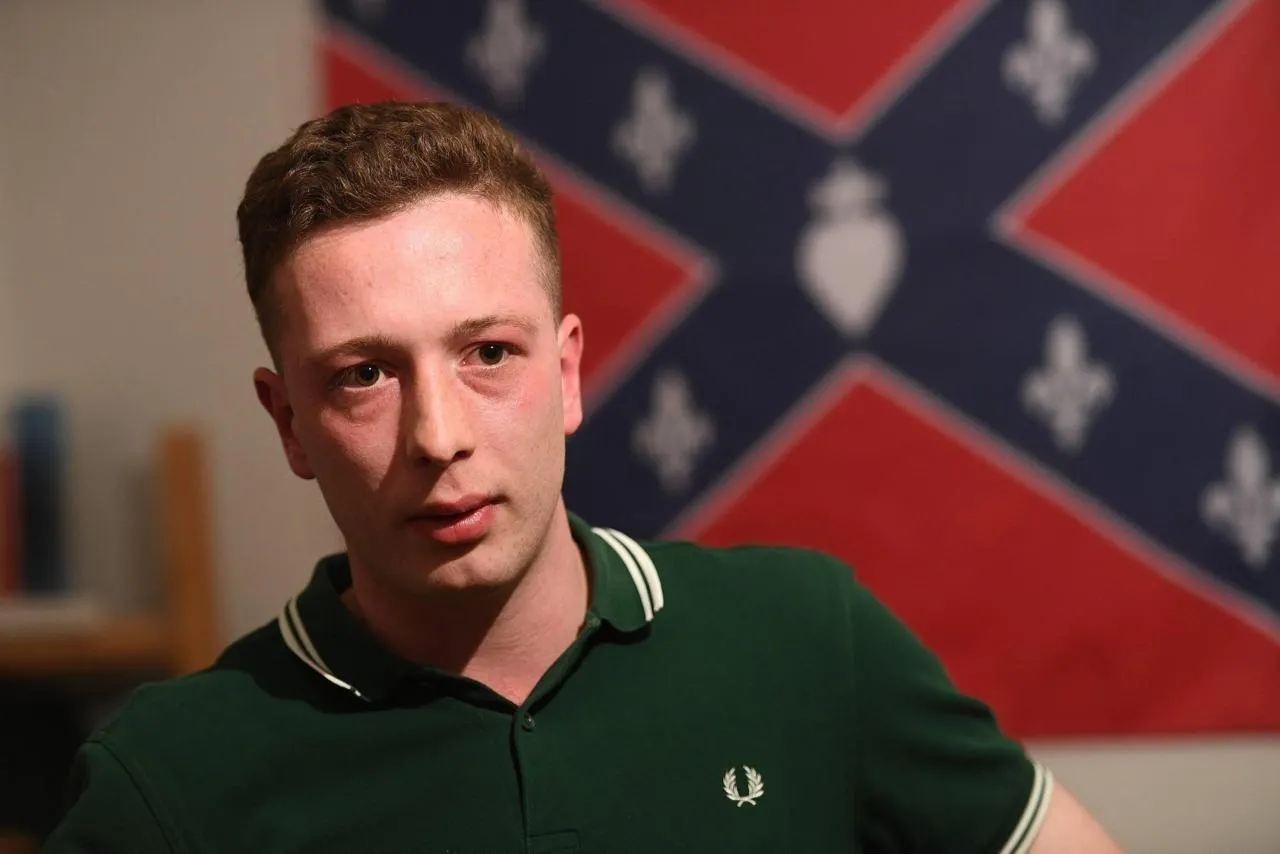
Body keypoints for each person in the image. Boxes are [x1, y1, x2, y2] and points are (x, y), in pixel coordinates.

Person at [43, 100, 1121, 853]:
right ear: (289, 422)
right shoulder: (168, 781)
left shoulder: (807, 640)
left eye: (487, 353)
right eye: (364, 374)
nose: (437, 435)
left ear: (564, 374)